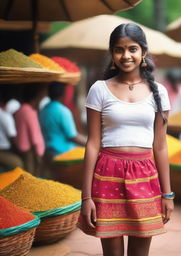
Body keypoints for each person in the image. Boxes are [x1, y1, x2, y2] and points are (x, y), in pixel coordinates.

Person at [78, 23, 174, 256]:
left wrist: (167, 194)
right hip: (107, 175)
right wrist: (86, 196)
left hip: (145, 177)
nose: (126, 55)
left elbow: (160, 146)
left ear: (143, 52)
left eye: (132, 49)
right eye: (119, 50)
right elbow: (92, 144)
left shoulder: (159, 92)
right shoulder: (99, 89)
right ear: (112, 54)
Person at [39, 82, 86, 160]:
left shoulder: (44, 109)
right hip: (64, 153)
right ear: (63, 94)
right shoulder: (63, 111)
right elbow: (73, 136)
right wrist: (89, 142)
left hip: (48, 151)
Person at [14, 84, 46, 176]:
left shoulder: (20, 110)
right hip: (30, 151)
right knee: (31, 177)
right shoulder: (30, 112)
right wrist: (39, 154)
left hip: (19, 148)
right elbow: (35, 136)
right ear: (35, 97)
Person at [0, 86, 23, 171]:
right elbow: (12, 137)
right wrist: (20, 150)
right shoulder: (5, 116)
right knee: (19, 164)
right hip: (3, 150)